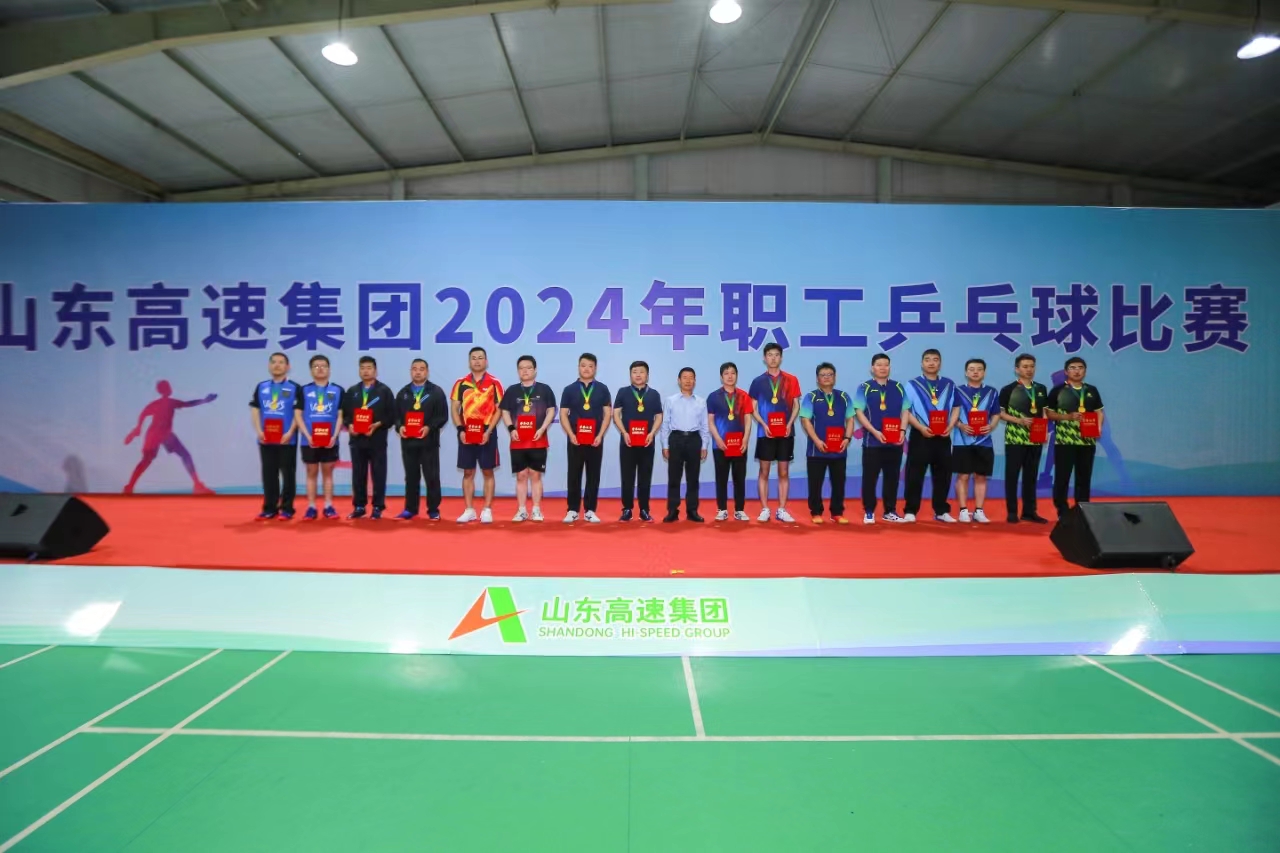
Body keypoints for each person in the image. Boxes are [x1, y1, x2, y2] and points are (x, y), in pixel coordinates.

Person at [123, 380, 217, 495]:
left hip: (160, 434)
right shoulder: (169, 402)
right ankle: (197, 485)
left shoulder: (160, 403)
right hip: (159, 434)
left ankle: (129, 487)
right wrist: (204, 400)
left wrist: (138, 428)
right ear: (166, 389)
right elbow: (187, 404)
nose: (171, 388)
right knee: (183, 455)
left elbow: (144, 413)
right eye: (169, 386)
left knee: (148, 460)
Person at [854, 353, 911, 524]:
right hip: (872, 442)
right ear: (872, 368)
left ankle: (890, 510)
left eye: (886, 364)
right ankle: (869, 511)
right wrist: (874, 431)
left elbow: (906, 410)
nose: (883, 368)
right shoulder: (864, 387)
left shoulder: (898, 387)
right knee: (870, 478)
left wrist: (902, 430)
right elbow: (859, 412)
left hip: (894, 442)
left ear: (890, 367)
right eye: (879, 365)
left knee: (892, 478)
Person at [499, 355, 557, 523]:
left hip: (538, 440)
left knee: (535, 475)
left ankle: (536, 509)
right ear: (518, 371)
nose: (525, 371)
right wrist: (511, 428)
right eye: (521, 368)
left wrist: (542, 429)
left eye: (528, 368)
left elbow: (551, 410)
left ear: (535, 370)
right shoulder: (512, 390)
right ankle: (522, 510)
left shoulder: (545, 389)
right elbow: (504, 411)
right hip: (518, 441)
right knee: (521, 475)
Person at [748, 342, 801, 523]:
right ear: (764, 358)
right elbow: (752, 408)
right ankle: (765, 508)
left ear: (781, 357)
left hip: (786, 433)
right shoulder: (758, 382)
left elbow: (796, 405)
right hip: (766, 433)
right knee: (764, 471)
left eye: (776, 355)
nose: (773, 358)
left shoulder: (791, 379)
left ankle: (782, 509)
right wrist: (763, 425)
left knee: (783, 472)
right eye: (769, 355)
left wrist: (789, 424)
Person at [903, 348, 958, 523]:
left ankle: (941, 511)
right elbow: (905, 410)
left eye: (935, 359)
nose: (931, 363)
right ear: (922, 363)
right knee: (914, 474)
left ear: (940, 363)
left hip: (943, 436)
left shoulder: (949, 384)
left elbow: (956, 407)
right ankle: (910, 511)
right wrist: (920, 427)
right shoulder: (912, 385)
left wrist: (950, 425)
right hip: (921, 435)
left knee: (943, 474)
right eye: (927, 359)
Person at [451, 346, 504, 524]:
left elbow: (499, 409)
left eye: (480, 357)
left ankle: (487, 509)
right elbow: (454, 408)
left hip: (487, 431)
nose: (477, 361)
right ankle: (469, 510)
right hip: (467, 431)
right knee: (468, 471)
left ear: (486, 361)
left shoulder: (494, 383)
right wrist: (460, 430)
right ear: (469, 362)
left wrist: (488, 431)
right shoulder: (461, 383)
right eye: (473, 358)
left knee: (487, 471)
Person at [1048, 357, 1106, 516]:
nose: (1077, 371)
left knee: (1084, 477)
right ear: (1066, 372)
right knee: (1062, 477)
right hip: (1064, 442)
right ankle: (1062, 509)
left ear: (1085, 371)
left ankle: (1082, 509)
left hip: (1087, 441)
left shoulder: (1092, 390)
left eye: (1080, 367)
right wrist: (1067, 417)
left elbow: (1099, 412)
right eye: (1073, 368)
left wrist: (1098, 427)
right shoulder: (1058, 391)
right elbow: (1050, 414)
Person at [998, 353, 1050, 524]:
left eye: (1032, 366)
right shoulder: (1008, 389)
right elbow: (1001, 414)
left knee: (1031, 476)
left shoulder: (1041, 389)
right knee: (1012, 475)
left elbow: (1043, 412)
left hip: (1035, 438)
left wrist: (1044, 431)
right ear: (1017, 369)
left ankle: (1029, 511)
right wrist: (1019, 420)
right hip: (1015, 439)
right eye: (1025, 366)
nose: (1029, 370)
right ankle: (1012, 511)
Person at [799, 362, 854, 524]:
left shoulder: (844, 397)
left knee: (839, 483)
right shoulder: (811, 397)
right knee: (815, 483)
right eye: (823, 375)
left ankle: (837, 512)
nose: (827, 377)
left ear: (835, 377)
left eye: (830, 374)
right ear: (817, 379)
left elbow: (850, 419)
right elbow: (805, 421)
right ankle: (816, 512)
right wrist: (816, 440)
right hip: (817, 450)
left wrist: (847, 438)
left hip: (839, 449)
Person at [559, 353, 611, 523]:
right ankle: (572, 510)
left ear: (595, 368)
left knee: (593, 474)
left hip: (595, 440)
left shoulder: (603, 389)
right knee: (573, 474)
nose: (586, 369)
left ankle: (590, 510)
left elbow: (607, 414)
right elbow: (563, 414)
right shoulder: (569, 389)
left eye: (590, 366)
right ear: (578, 367)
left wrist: (600, 435)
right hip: (575, 439)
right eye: (583, 365)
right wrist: (571, 435)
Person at [341, 356, 395, 520]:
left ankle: (378, 506)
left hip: (377, 439)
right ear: (359, 370)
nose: (366, 371)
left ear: (375, 371)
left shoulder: (384, 391)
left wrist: (377, 424)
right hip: (357, 440)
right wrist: (349, 425)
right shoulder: (352, 391)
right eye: (362, 368)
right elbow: (345, 415)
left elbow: (392, 416)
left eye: (369, 368)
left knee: (379, 474)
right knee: (358, 474)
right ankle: (359, 506)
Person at [394, 358, 448, 521]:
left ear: (427, 372)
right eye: (415, 369)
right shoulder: (403, 393)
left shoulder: (436, 392)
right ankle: (410, 509)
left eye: (421, 369)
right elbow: (396, 416)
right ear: (411, 371)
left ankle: (433, 509)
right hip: (408, 443)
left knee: (432, 476)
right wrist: (400, 427)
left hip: (428, 442)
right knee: (411, 477)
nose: (418, 372)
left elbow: (442, 416)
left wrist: (429, 427)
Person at [248, 352, 300, 520]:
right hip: (266, 438)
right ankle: (269, 508)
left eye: (281, 362)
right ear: (269, 366)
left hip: (287, 439)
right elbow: (255, 409)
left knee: (288, 474)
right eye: (274, 362)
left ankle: (287, 508)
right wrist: (259, 430)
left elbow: (299, 413)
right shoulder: (261, 387)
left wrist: (290, 432)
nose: (277, 365)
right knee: (269, 474)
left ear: (287, 367)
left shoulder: (295, 388)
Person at [612, 360, 664, 522]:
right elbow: (616, 414)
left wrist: (652, 433)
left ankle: (644, 510)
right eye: (634, 372)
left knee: (645, 477)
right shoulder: (623, 392)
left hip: (647, 442)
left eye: (641, 372)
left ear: (647, 375)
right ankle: (627, 509)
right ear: (630, 375)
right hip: (627, 442)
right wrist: (624, 432)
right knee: (627, 477)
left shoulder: (654, 394)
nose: (638, 375)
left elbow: (659, 416)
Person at [950, 358, 1001, 524]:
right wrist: (960, 425)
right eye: (971, 369)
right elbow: (951, 413)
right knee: (963, 476)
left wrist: (991, 426)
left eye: (979, 369)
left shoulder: (992, 392)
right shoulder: (957, 391)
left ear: (984, 372)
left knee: (981, 477)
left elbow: (996, 414)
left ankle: (979, 511)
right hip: (962, 441)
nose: (975, 372)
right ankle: (963, 511)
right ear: (966, 372)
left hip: (984, 441)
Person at [295, 354, 343, 520]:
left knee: (328, 472)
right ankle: (311, 507)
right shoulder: (303, 390)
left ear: (329, 369)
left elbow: (340, 416)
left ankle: (329, 506)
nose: (320, 369)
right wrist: (307, 435)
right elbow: (298, 415)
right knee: (311, 472)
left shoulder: (337, 390)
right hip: (309, 440)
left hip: (330, 440)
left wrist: (334, 436)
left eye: (323, 366)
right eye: (316, 366)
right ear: (311, 370)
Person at [660, 367, 710, 523]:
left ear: (695, 381)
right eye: (685, 377)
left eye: (691, 377)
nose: (688, 380)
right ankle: (672, 511)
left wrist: (704, 446)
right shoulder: (670, 400)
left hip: (694, 439)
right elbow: (665, 424)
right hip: (676, 439)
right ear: (679, 380)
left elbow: (705, 425)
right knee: (674, 477)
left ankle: (692, 510)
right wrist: (665, 445)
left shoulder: (701, 401)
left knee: (693, 478)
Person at [706, 361, 753, 522]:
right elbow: (710, 421)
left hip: (740, 445)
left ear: (737, 375)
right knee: (721, 478)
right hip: (720, 445)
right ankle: (722, 509)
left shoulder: (744, 396)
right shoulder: (713, 397)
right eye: (726, 373)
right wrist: (717, 439)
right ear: (721, 377)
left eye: (733, 373)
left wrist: (745, 439)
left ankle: (739, 510)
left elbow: (748, 419)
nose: (730, 376)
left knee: (739, 478)